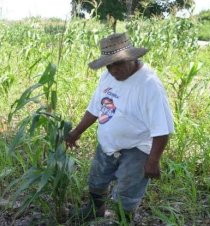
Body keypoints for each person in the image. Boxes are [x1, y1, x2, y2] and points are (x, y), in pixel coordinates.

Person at [66, 33, 174, 222]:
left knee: (127, 192)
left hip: (137, 148)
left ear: (132, 58)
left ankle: (123, 220)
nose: (114, 70)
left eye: (118, 63)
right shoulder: (107, 77)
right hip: (108, 143)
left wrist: (153, 160)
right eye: (109, 65)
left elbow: (162, 129)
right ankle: (95, 210)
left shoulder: (149, 85)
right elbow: (95, 108)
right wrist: (76, 132)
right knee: (96, 181)